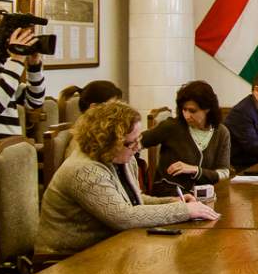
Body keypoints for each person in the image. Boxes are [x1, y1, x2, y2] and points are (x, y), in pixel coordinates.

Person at [36, 101, 219, 255]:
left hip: (106, 249)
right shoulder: (84, 171)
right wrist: (184, 211)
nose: (137, 147)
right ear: (107, 142)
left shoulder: (120, 157)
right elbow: (124, 217)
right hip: (66, 260)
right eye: (131, 142)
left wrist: (172, 201)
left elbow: (131, 201)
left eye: (139, 139)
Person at [143, 80, 232, 193]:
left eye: (192, 111)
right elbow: (137, 142)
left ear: (207, 109)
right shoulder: (171, 126)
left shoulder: (221, 132)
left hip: (204, 195)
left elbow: (224, 173)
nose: (187, 115)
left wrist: (196, 170)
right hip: (170, 195)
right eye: (184, 109)